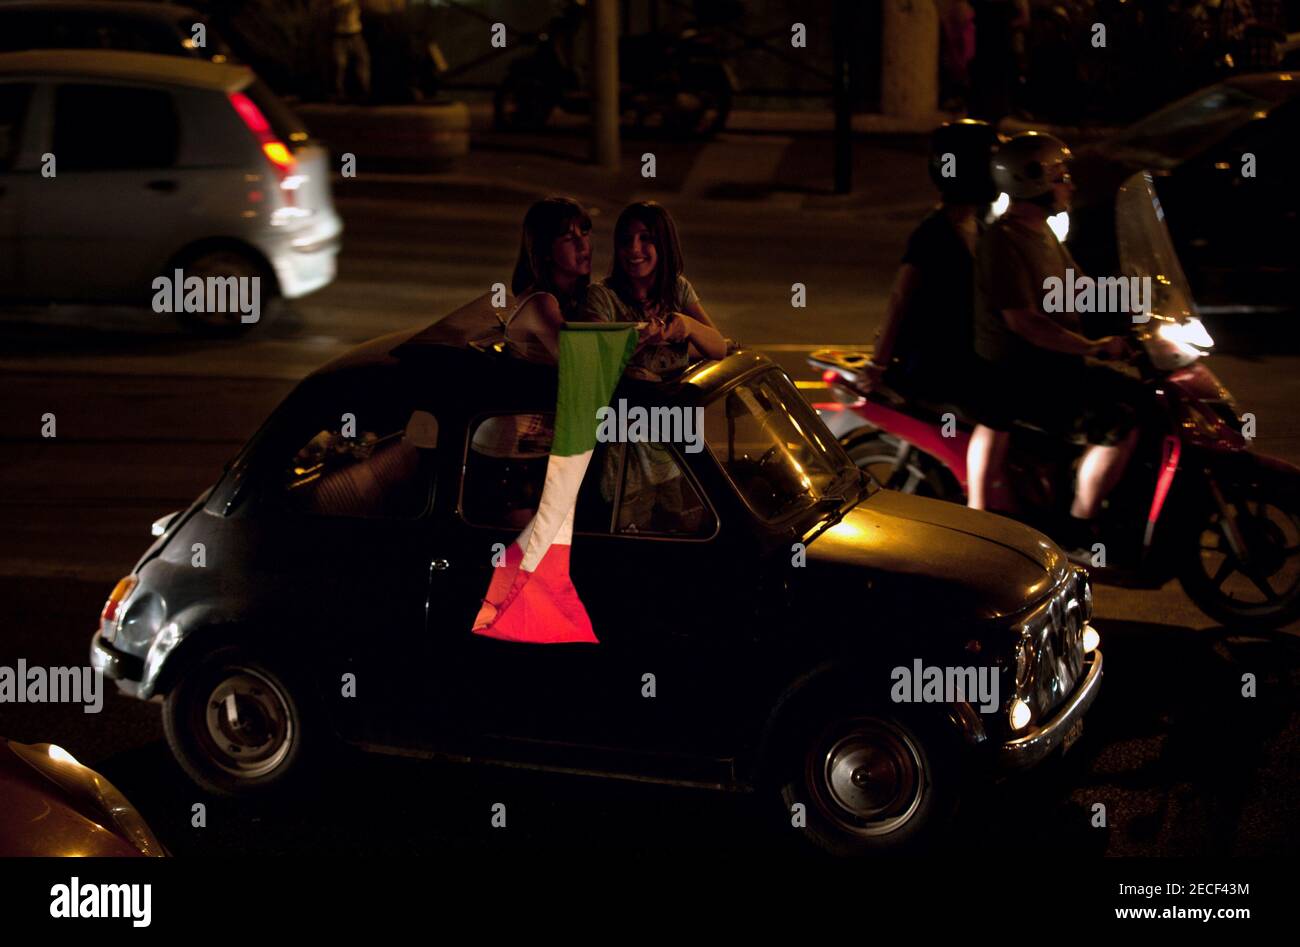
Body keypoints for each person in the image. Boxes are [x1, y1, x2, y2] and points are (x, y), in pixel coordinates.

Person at [974, 131, 1143, 551]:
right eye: (1060, 176)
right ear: (1031, 181)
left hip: (1054, 363)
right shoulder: (1004, 241)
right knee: (1118, 420)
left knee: (1146, 398)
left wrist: (1140, 304)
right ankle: (1078, 528)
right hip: (1023, 373)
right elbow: (1025, 322)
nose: (1069, 185)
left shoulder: (1043, 233)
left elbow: (1078, 287)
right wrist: (1094, 347)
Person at [865, 119, 1008, 511]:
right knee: (1002, 407)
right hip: (937, 364)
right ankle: (982, 511)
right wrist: (878, 363)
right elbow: (900, 298)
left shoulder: (981, 226)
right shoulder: (933, 232)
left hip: (970, 353)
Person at [583, 201, 727, 381]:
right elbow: (595, 360)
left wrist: (688, 325)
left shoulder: (677, 288)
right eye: (626, 240)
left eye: (646, 238)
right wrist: (641, 337)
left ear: (664, 245)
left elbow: (719, 348)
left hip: (673, 406)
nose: (634, 249)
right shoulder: (601, 296)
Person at [507, 196, 594, 362]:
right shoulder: (539, 302)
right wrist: (638, 339)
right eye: (568, 239)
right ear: (545, 250)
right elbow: (579, 360)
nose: (583, 245)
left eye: (585, 234)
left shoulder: (576, 298)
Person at [332, 0, 371, 101]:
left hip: (355, 34)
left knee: (362, 61)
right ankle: (339, 93)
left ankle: (364, 91)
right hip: (340, 35)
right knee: (339, 64)